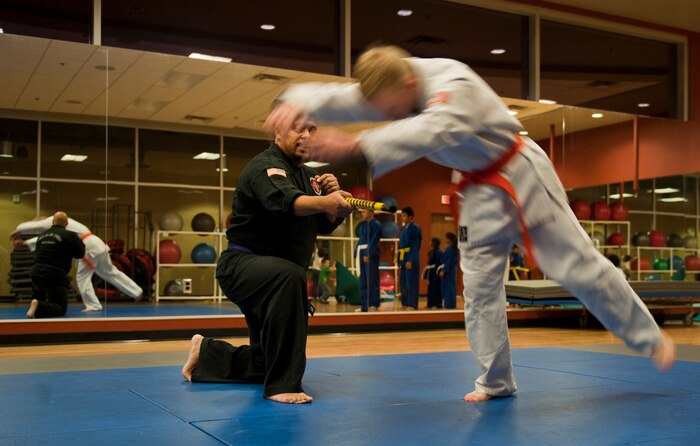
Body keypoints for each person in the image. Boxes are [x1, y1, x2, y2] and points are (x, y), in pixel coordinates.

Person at [265, 45, 676, 403]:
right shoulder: (391, 84)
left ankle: (648, 336)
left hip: (519, 171)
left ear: (409, 84)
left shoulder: (454, 81)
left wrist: (355, 144)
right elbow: (345, 98)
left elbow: (435, 129)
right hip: (478, 191)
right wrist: (293, 100)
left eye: (392, 109)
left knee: (574, 265)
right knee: (478, 287)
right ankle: (496, 381)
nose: (388, 115)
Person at [181, 119, 354, 405]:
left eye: (312, 130)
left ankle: (207, 354)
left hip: (274, 276)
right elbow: (286, 202)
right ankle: (281, 386)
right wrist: (325, 201)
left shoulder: (311, 177)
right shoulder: (265, 166)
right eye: (298, 128)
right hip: (243, 266)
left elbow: (322, 226)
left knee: (265, 360)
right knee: (290, 277)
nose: (306, 135)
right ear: (277, 130)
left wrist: (332, 204)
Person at [11, 216, 143, 312]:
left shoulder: (51, 220)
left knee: (82, 277)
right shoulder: (69, 224)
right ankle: (136, 291)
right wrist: (26, 242)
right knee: (111, 272)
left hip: (88, 247)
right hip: (97, 243)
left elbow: (37, 228)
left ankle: (93, 305)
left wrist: (19, 230)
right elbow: (47, 235)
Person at [26, 211, 85, 318]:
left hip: (36, 271)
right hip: (54, 273)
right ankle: (38, 304)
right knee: (60, 308)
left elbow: (38, 253)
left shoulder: (42, 235)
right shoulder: (70, 235)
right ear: (66, 224)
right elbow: (80, 254)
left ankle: (36, 305)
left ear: (53, 222)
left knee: (39, 302)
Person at [355, 208, 382, 311]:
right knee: (363, 280)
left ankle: (373, 303)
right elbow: (361, 239)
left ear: (371, 212)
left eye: (364, 211)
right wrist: (356, 252)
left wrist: (368, 253)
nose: (362, 214)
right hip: (362, 253)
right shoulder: (362, 225)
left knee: (372, 279)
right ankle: (364, 305)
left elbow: (374, 240)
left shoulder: (376, 225)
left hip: (371, 254)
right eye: (361, 212)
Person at [397, 206, 422, 310]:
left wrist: (410, 260)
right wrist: (399, 259)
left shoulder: (416, 228)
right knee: (403, 282)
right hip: (403, 257)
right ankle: (405, 302)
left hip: (411, 257)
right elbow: (400, 245)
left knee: (411, 282)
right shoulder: (403, 229)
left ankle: (412, 304)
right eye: (401, 215)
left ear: (410, 217)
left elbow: (415, 245)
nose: (402, 218)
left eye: (404, 215)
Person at [440, 232, 458, 309]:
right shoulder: (453, 248)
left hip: (449, 271)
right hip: (452, 270)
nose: (445, 240)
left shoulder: (450, 249)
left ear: (449, 239)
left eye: (446, 238)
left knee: (448, 288)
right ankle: (450, 303)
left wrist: (444, 270)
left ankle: (449, 304)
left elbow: (448, 261)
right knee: (450, 287)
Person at [424, 237, 443, 309]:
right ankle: (430, 304)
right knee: (430, 288)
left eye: (431, 241)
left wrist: (437, 273)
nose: (430, 243)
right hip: (431, 272)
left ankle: (437, 304)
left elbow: (439, 263)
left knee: (436, 289)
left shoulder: (438, 252)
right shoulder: (432, 251)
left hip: (435, 272)